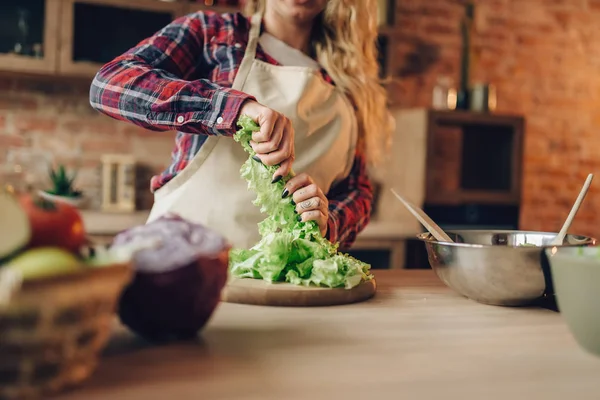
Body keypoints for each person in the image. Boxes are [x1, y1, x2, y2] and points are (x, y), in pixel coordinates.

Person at [89, 0, 393, 251]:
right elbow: (110, 85)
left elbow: (357, 190)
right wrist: (234, 109)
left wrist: (329, 222)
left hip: (286, 281)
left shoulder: (350, 84)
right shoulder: (214, 33)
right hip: (179, 260)